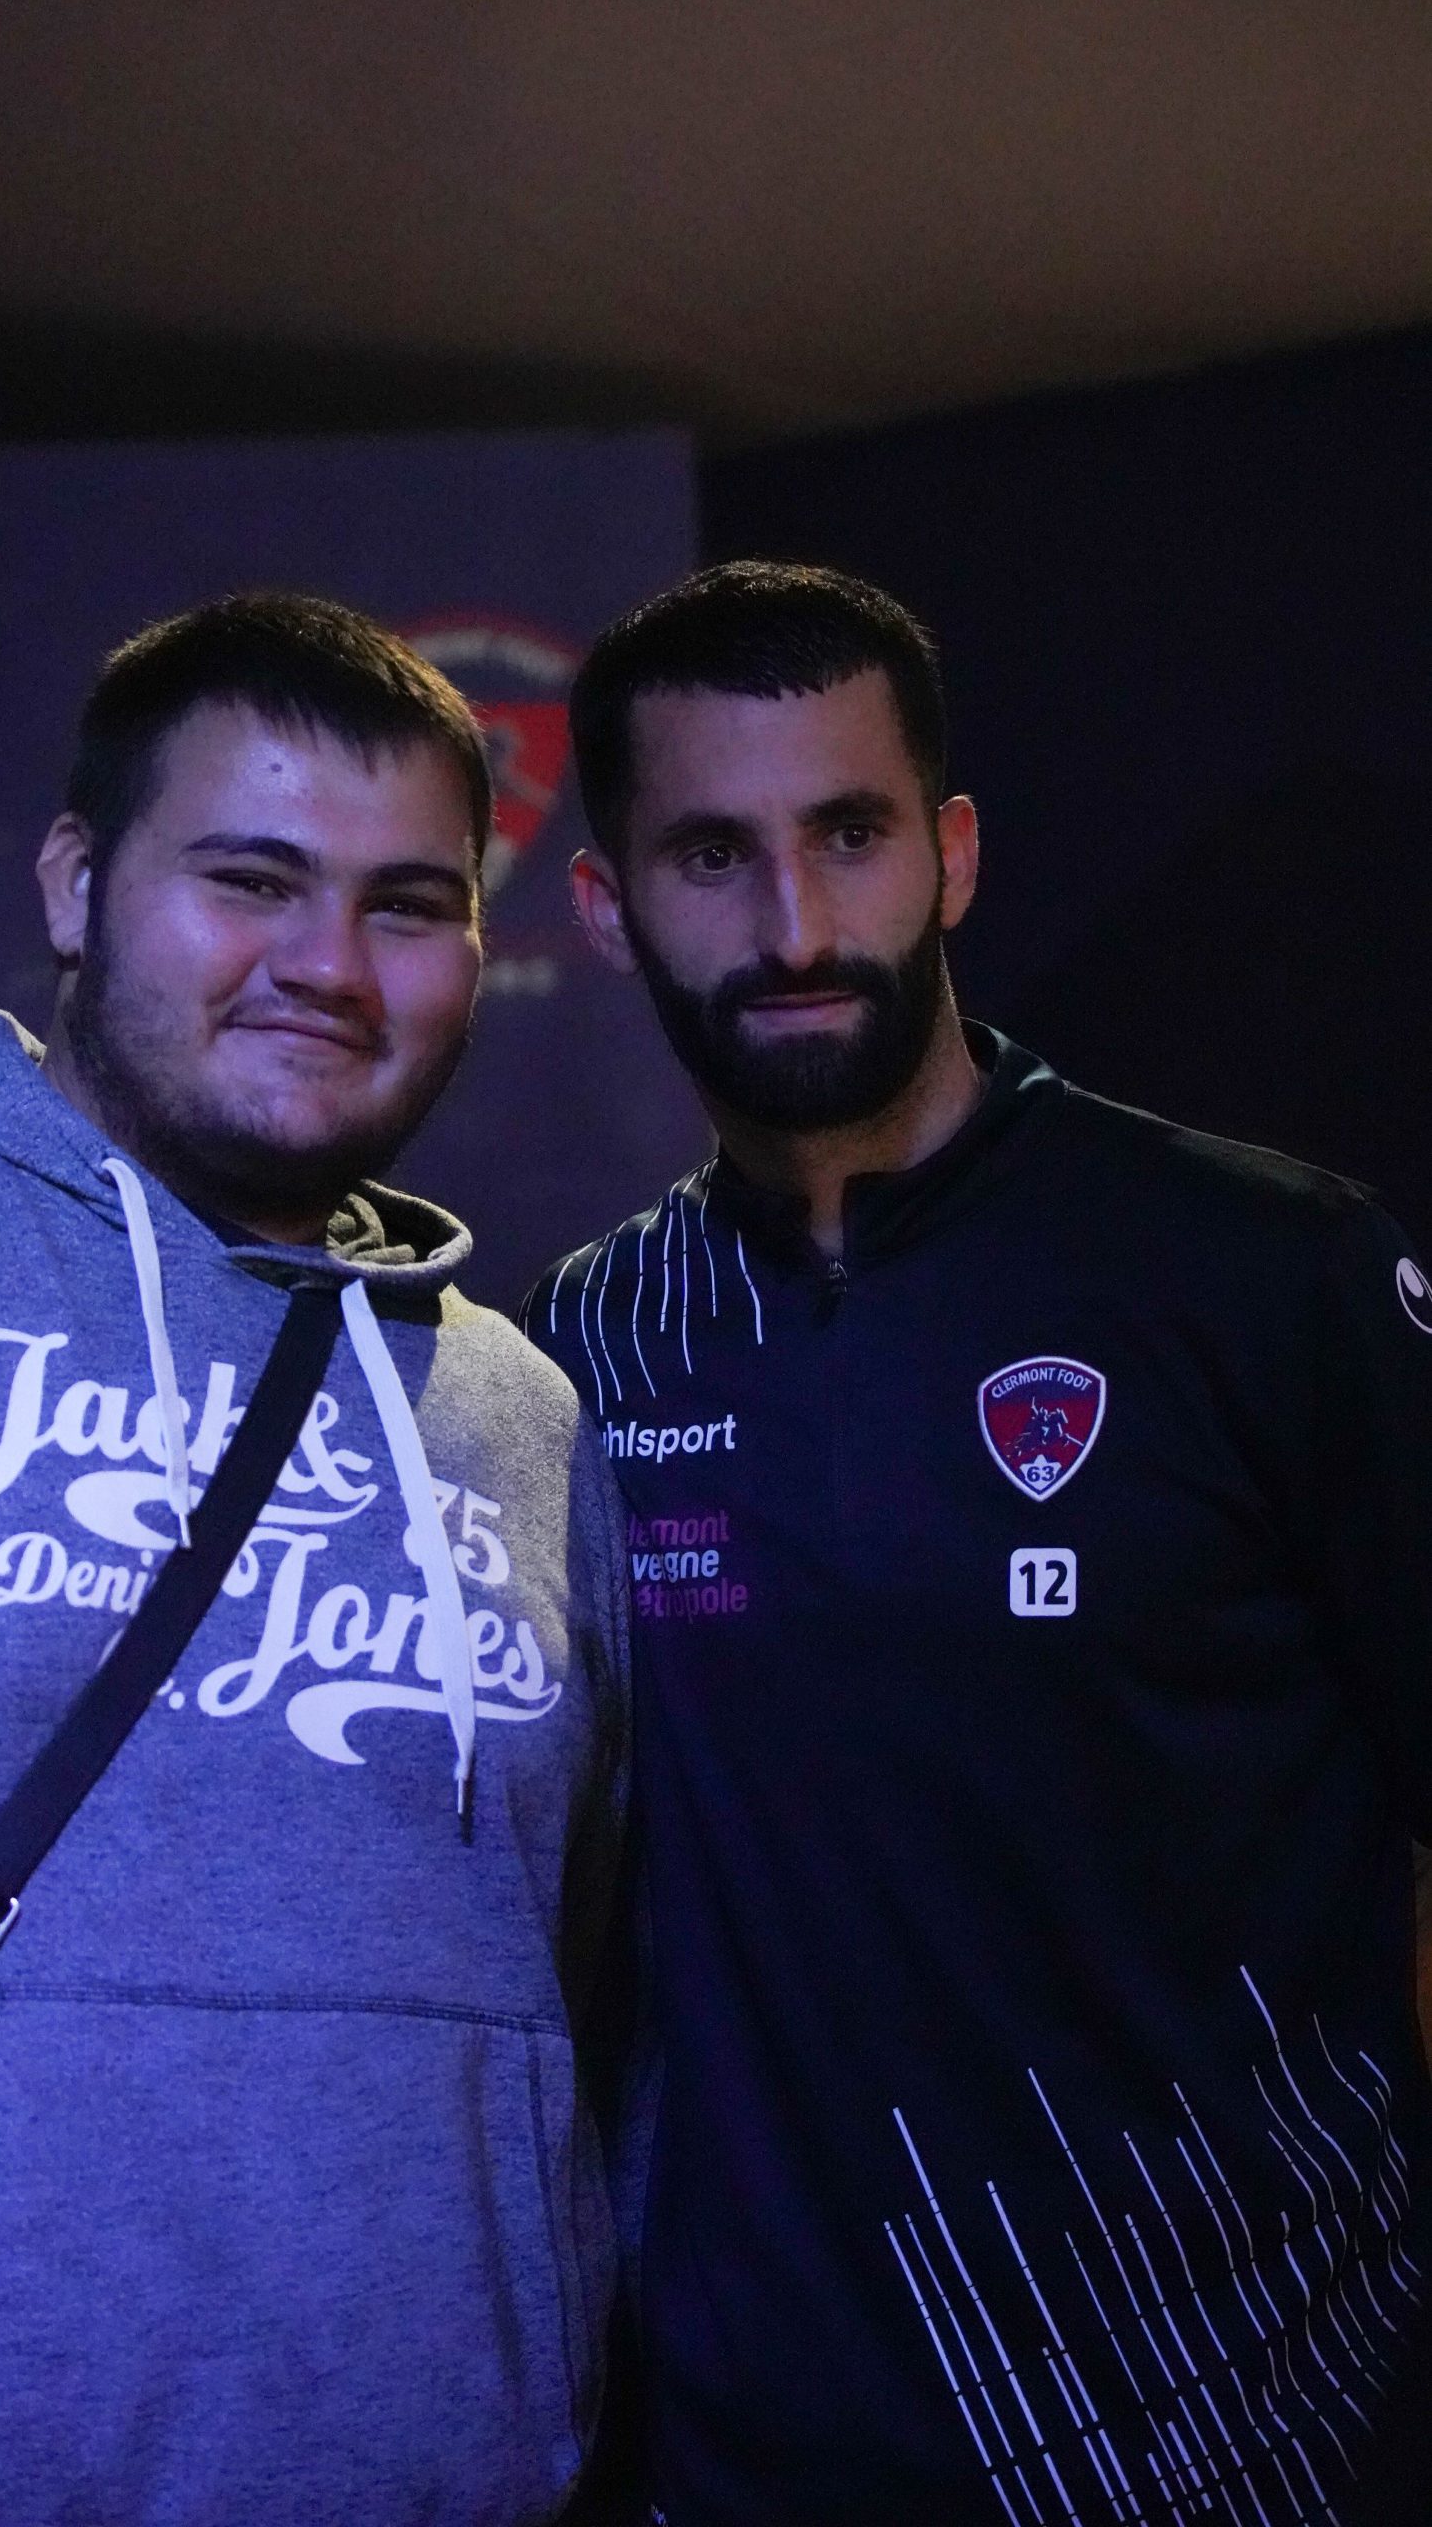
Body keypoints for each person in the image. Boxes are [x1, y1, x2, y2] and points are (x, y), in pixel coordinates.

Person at [522, 560, 1432, 2526]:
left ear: (946, 853)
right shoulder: (576, 1348)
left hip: (1251, 2436)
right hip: (740, 2461)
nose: (790, 923)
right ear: (601, 909)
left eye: (843, 833)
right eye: (705, 853)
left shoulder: (1265, 1271)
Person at [0, 592, 631, 2526]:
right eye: (251, 879)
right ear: (73, 885)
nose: (330, 964)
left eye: (409, 903)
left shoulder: (521, 1413)